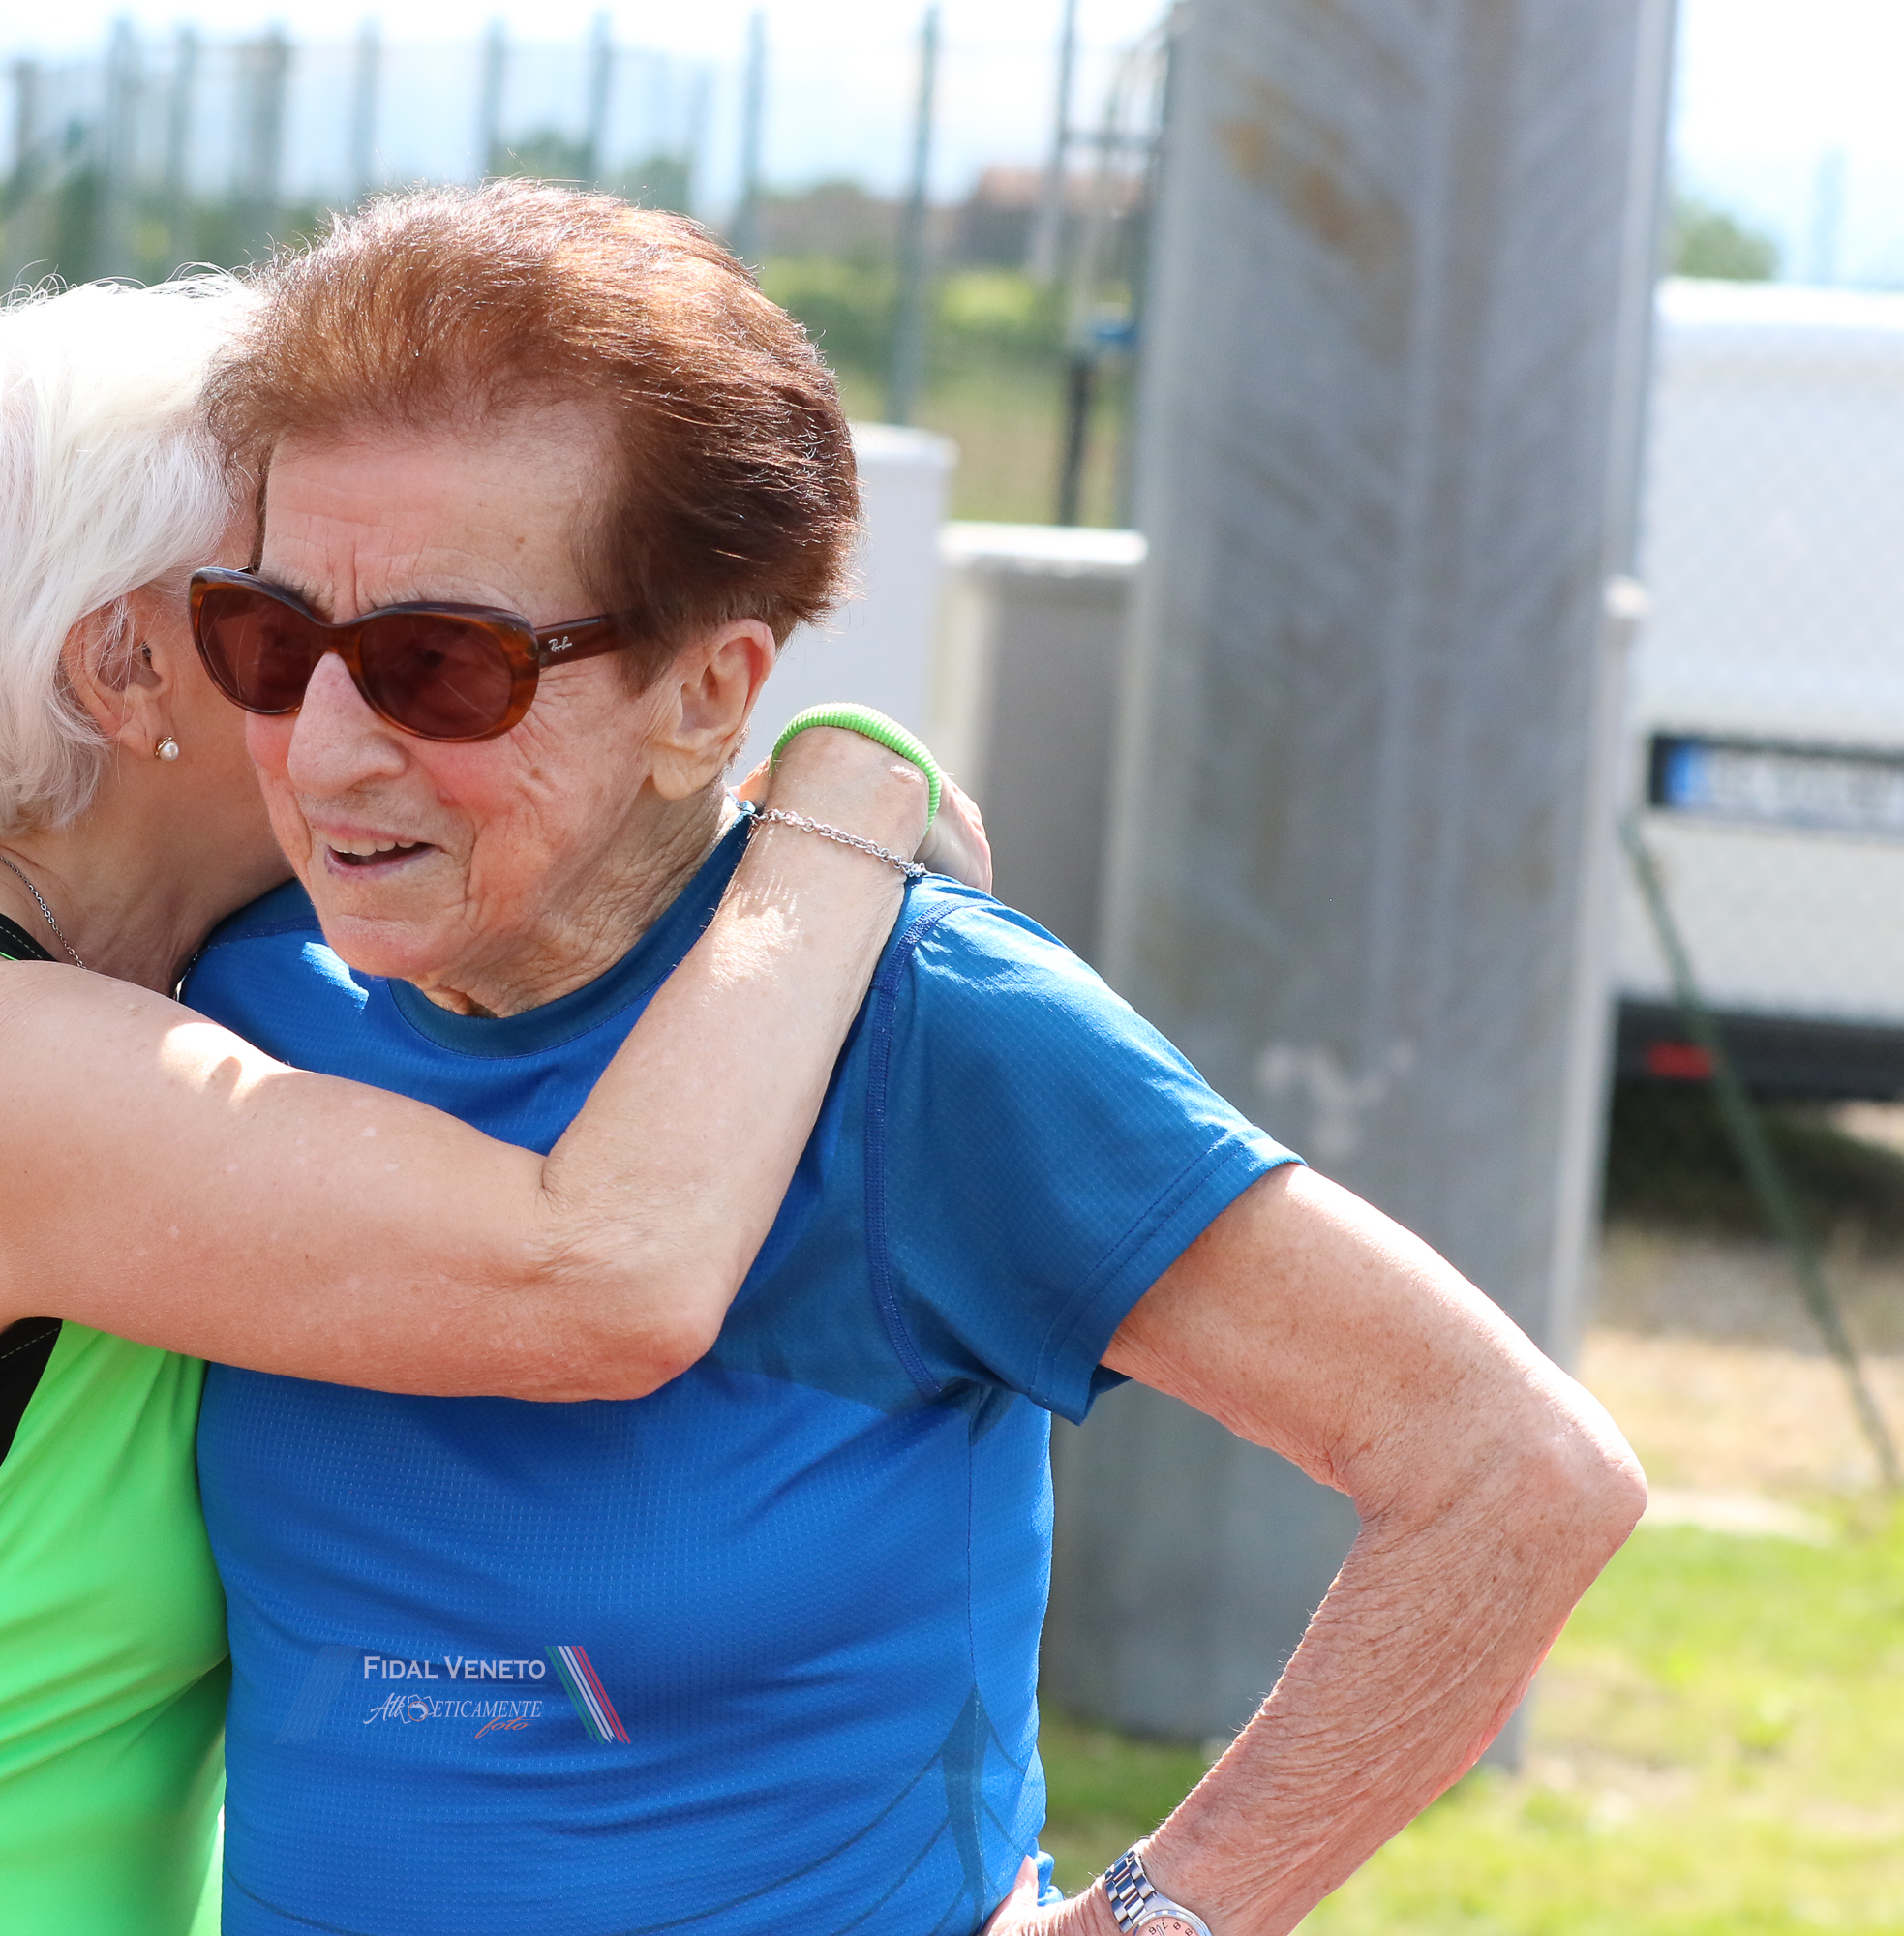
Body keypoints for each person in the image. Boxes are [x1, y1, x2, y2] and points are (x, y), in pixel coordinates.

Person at [175, 180, 1648, 1936]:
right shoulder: (228, 989)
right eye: (269, 642)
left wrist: (1159, 1920)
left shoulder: (924, 1028)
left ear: (707, 698)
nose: (325, 752)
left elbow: (1513, 1475)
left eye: (440, 665)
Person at [0, 275, 962, 1936]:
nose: (355, 681)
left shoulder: (50, 962)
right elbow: (609, 1276)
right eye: (282, 621)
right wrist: (841, 812)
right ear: (126, 668)